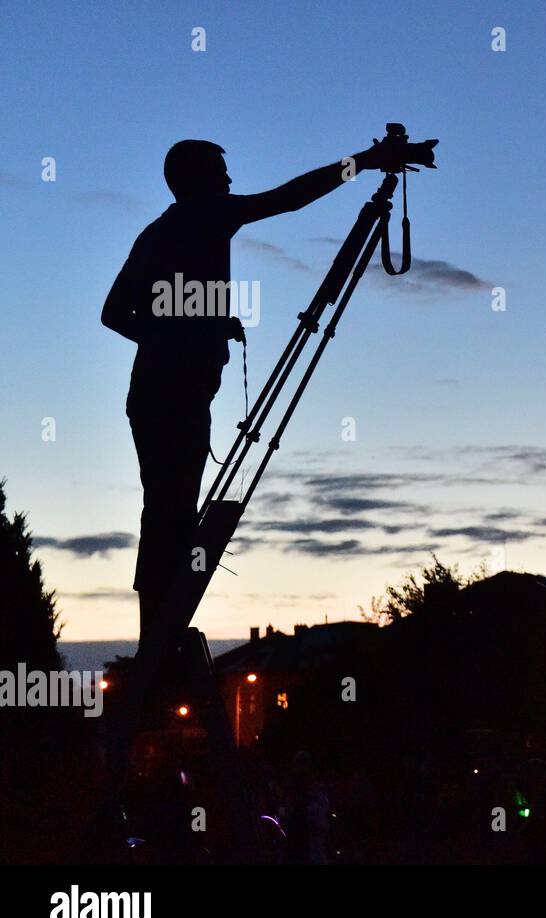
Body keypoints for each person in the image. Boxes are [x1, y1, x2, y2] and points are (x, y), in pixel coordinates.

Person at [102, 137, 406, 655]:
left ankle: (157, 629)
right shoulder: (205, 215)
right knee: (172, 511)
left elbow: (114, 314)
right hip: (173, 392)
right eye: (221, 173)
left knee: (166, 508)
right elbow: (289, 198)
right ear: (198, 180)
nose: (229, 183)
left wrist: (192, 326)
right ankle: (159, 635)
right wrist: (367, 161)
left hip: (154, 392)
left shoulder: (157, 231)